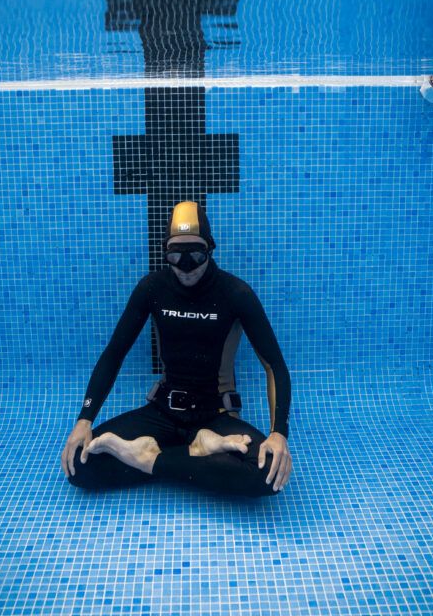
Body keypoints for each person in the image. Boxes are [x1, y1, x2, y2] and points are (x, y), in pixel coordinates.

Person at [61, 201, 292, 497]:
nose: (185, 266)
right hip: (162, 413)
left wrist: (278, 434)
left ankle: (150, 457)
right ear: (165, 252)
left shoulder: (236, 293)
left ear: (209, 248)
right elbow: (114, 353)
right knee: (80, 464)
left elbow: (275, 366)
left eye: (195, 254)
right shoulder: (152, 288)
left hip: (215, 416)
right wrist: (85, 419)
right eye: (175, 254)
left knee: (269, 472)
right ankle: (196, 454)